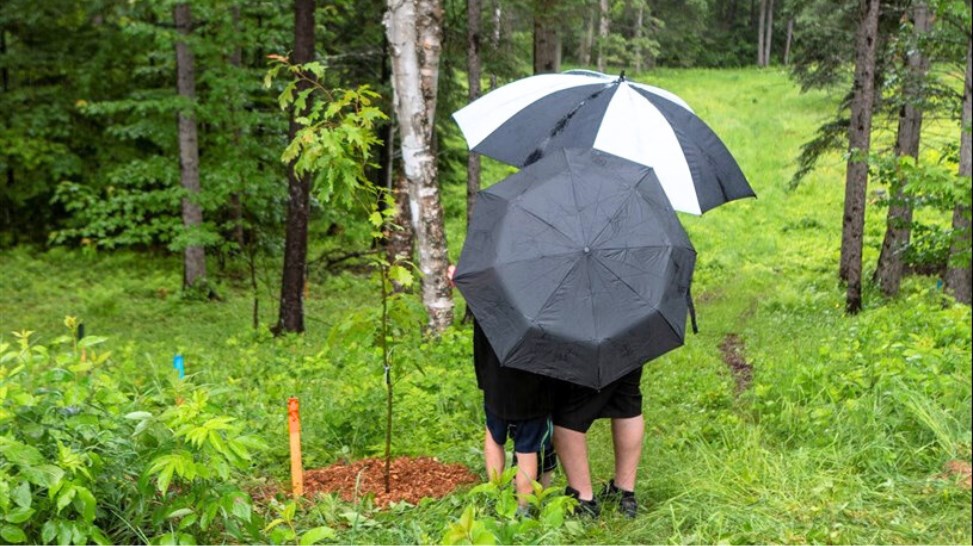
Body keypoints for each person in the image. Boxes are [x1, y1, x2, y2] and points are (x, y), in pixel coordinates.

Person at [473, 320, 558, 508]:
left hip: (495, 381)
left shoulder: (488, 297)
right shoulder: (542, 303)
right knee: (527, 450)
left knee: (494, 436)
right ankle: (523, 508)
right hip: (533, 386)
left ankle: (496, 494)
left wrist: (484, 379)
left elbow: (480, 347)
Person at [552, 367, 644, 518]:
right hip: (625, 346)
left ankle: (583, 502)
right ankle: (625, 495)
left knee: (569, 413)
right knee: (627, 400)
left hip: (584, 350)